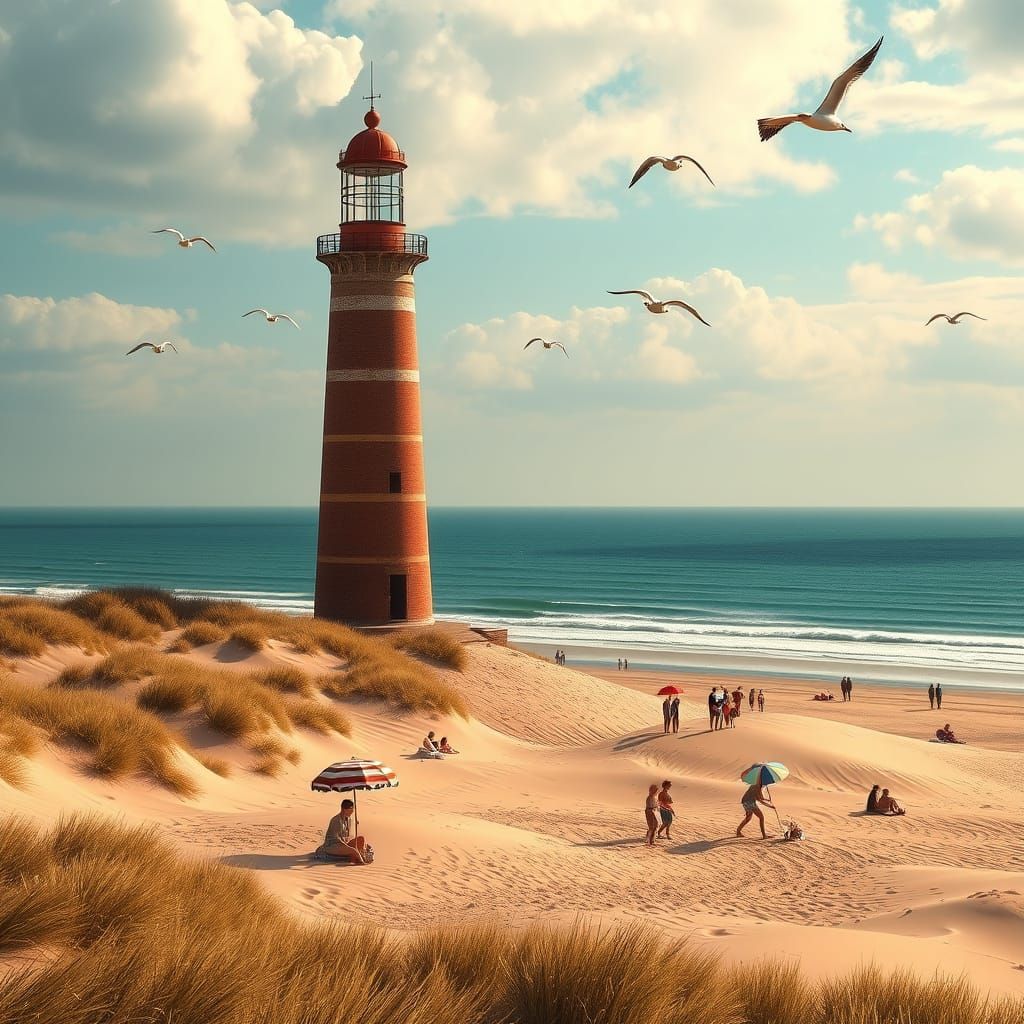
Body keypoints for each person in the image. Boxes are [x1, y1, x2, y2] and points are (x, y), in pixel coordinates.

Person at [315, 799, 367, 864]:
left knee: (361, 839)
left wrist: (355, 825)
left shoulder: (348, 819)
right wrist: (348, 846)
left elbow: (347, 836)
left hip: (343, 844)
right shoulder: (336, 820)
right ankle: (361, 862)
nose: (352, 811)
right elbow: (336, 838)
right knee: (354, 851)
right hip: (332, 845)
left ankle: (355, 857)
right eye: (351, 809)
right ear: (344, 809)